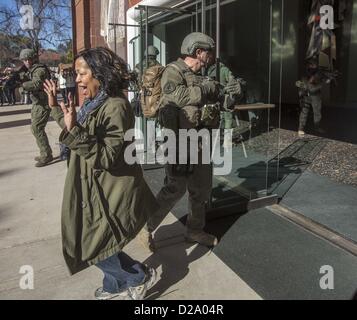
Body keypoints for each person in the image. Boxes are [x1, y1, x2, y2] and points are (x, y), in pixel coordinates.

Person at [43, 47, 159, 300]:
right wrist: (54, 108)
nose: (77, 80)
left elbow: (107, 156)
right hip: (92, 185)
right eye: (76, 74)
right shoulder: (95, 104)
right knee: (98, 240)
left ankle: (138, 276)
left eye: (81, 73)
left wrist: (74, 131)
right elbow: (73, 129)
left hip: (111, 189)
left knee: (89, 245)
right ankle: (114, 285)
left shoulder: (115, 106)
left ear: (99, 74)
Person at [138, 32, 229, 251]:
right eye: (209, 51)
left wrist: (230, 94)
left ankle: (194, 230)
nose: (212, 56)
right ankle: (146, 228)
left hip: (201, 141)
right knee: (175, 188)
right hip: (179, 142)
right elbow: (177, 97)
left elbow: (215, 99)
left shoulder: (202, 75)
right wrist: (204, 90)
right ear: (199, 52)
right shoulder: (173, 71)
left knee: (201, 189)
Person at [19, 48, 53, 167]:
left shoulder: (39, 70)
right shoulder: (31, 70)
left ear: (33, 58)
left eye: (29, 59)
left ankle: (46, 155)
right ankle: (45, 152)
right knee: (35, 128)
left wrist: (22, 85)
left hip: (43, 103)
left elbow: (36, 84)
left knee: (37, 128)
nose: (27, 61)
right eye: (24, 60)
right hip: (37, 103)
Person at [296, 62, 323, 137]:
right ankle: (301, 128)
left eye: (314, 64)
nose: (312, 66)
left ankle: (317, 127)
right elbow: (299, 83)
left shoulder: (318, 74)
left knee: (317, 112)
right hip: (306, 95)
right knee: (304, 112)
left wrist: (311, 87)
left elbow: (320, 85)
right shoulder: (305, 75)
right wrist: (301, 92)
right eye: (310, 64)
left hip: (315, 95)